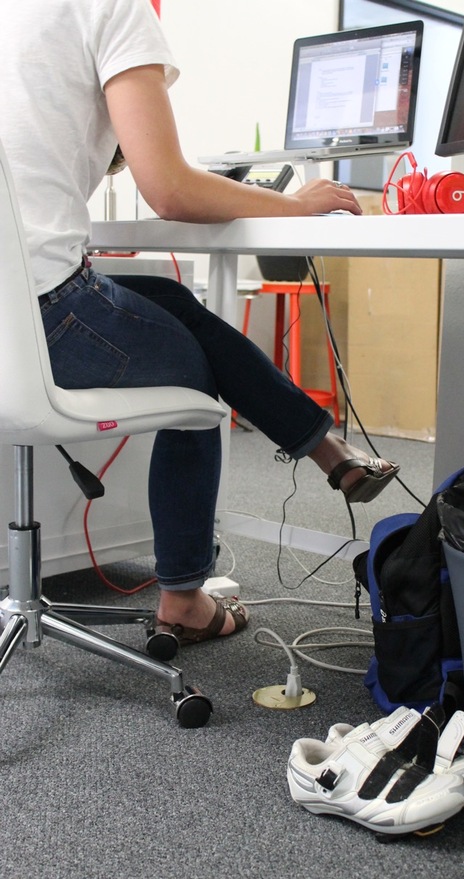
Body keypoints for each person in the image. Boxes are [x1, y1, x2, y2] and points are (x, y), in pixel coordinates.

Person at [1, 0, 399, 644]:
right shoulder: (111, 6)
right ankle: (185, 597)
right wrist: (293, 205)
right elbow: (171, 189)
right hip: (40, 314)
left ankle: (330, 451)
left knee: (170, 300)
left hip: (16, 308)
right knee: (194, 376)